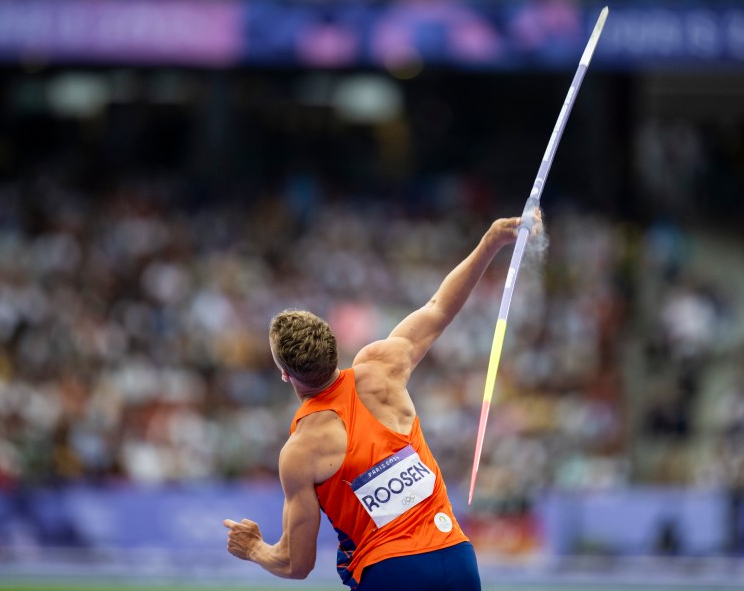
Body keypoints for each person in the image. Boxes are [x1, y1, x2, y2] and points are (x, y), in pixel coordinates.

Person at [223, 212, 539, 590]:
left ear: (285, 374)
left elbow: (297, 562)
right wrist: (491, 240)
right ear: (334, 351)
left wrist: (254, 548)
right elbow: (439, 308)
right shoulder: (381, 369)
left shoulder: (301, 450)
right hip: (456, 557)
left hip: (390, 572)